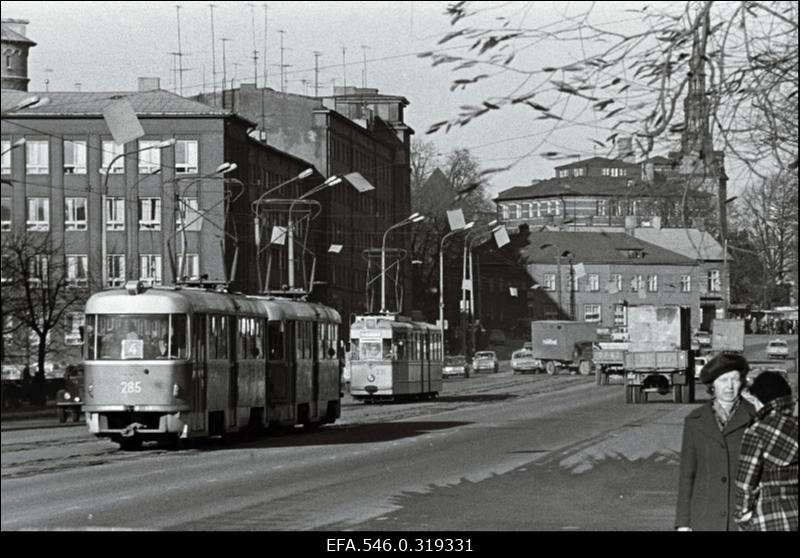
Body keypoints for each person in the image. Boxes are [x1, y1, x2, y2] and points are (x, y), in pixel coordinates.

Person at [675, 353, 756, 531]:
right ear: (712, 385)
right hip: (705, 519)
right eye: (723, 380)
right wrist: (683, 522)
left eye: (734, 380)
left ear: (742, 382)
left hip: (745, 519)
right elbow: (687, 475)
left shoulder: (756, 418)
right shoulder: (695, 421)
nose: (729, 386)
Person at [735, 371, 798, 531]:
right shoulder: (795, 426)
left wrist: (742, 516)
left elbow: (745, 483)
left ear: (760, 400)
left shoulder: (757, 431)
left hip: (769, 516)